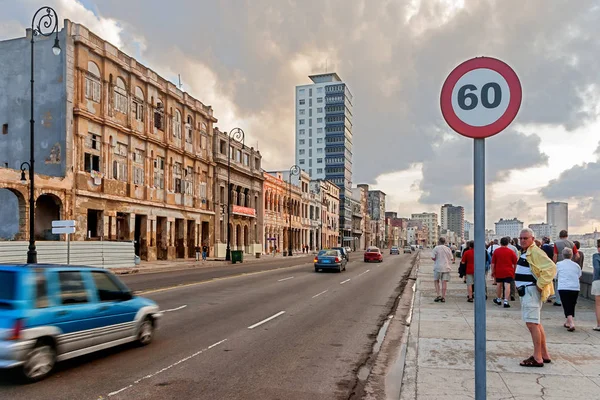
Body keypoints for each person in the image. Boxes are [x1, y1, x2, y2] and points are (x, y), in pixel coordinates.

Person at [516, 228, 556, 368]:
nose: (522, 240)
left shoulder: (536, 252)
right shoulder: (527, 252)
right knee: (536, 323)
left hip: (530, 292)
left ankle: (537, 357)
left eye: (525, 238)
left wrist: (539, 285)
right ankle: (544, 354)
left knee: (532, 324)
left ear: (532, 239)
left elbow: (551, 268)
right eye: (521, 238)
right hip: (527, 292)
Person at [556, 248, 582, 331]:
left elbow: (555, 275)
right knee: (572, 304)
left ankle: (571, 324)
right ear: (571, 255)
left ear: (563, 255)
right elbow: (579, 275)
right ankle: (568, 322)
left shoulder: (559, 264)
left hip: (563, 287)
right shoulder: (576, 265)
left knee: (566, 305)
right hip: (575, 287)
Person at [552, 230, 579, 306]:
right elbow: (577, 256)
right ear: (567, 235)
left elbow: (555, 256)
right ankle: (569, 300)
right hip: (570, 265)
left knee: (558, 283)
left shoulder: (556, 243)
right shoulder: (572, 243)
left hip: (560, 265)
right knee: (569, 282)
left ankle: (558, 300)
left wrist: (554, 264)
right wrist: (573, 261)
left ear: (559, 236)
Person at [491, 237, 518, 308]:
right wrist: (514, 271)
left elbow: (493, 263)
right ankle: (506, 301)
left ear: (500, 243)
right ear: (508, 243)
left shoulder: (496, 251)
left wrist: (493, 271)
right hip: (509, 271)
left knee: (499, 285)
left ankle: (499, 299)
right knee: (507, 285)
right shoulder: (511, 251)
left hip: (499, 270)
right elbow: (515, 263)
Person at [431, 237, 455, 303]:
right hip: (446, 267)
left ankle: (438, 295)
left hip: (437, 267)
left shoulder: (436, 248)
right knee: (444, 282)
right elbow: (451, 258)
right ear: (444, 242)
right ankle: (443, 297)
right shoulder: (448, 249)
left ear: (439, 241)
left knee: (436, 281)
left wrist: (437, 258)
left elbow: (433, 258)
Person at [593, 240, 600, 331]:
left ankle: (599, 325)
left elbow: (597, 268)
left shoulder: (596, 256)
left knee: (598, 305)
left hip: (598, 281)